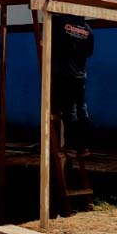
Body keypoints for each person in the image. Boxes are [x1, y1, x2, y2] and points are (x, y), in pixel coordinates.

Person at [51, 13, 94, 153]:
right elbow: (89, 52)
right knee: (82, 108)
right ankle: (85, 145)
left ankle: (72, 144)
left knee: (70, 110)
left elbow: (54, 44)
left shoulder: (62, 24)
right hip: (81, 75)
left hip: (66, 75)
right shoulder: (87, 29)